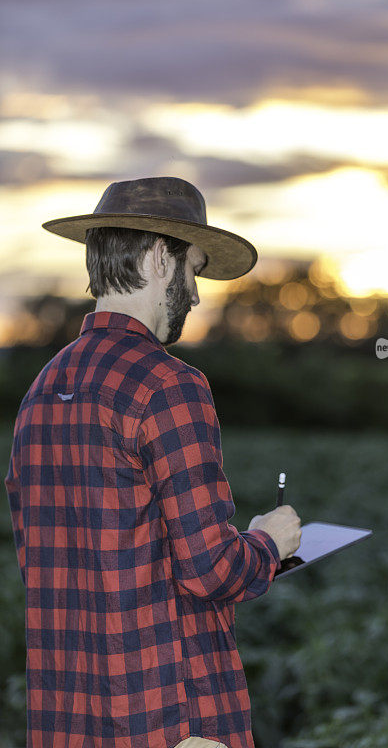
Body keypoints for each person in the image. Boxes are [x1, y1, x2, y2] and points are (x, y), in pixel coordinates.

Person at [4, 177, 302, 748]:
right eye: (193, 270)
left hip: (66, 717)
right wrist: (270, 542)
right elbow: (212, 569)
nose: (195, 294)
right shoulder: (167, 385)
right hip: (168, 716)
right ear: (162, 259)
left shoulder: (41, 392)